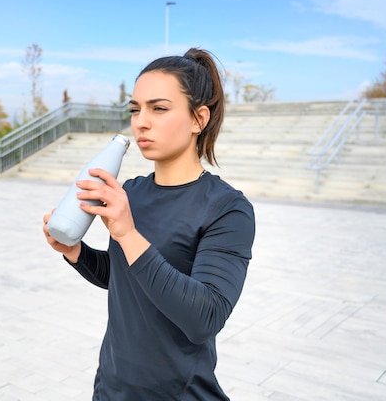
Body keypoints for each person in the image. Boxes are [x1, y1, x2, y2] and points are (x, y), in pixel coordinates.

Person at [42, 47, 255, 400]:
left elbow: (206, 317)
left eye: (159, 108)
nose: (141, 121)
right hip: (112, 388)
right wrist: (76, 253)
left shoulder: (227, 209)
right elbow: (124, 278)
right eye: (135, 109)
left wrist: (127, 233)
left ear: (198, 119)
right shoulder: (132, 192)